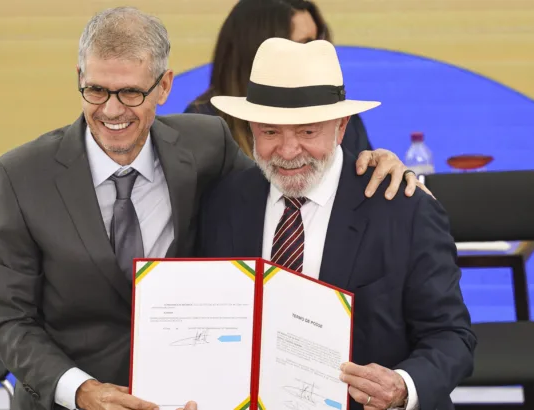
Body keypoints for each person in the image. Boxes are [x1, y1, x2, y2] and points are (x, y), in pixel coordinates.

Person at [0, 7, 428, 410]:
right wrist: (80, 391)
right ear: (79, 76)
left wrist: (373, 162)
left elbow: (287, 170)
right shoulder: (18, 177)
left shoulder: (206, 144)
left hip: (194, 397)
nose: (112, 110)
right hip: (71, 401)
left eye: (132, 93)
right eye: (96, 90)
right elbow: (10, 319)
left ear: (164, 86)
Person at [196, 38, 476, 410]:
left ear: (341, 127)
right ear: (250, 129)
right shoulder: (223, 202)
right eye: (270, 132)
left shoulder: (404, 208)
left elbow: (451, 336)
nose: (288, 150)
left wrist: (403, 386)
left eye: (308, 132)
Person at [184, 0, 372, 158]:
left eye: (318, 41)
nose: (315, 53)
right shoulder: (202, 127)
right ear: (255, 50)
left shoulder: (337, 115)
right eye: (304, 44)